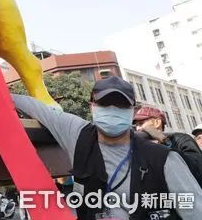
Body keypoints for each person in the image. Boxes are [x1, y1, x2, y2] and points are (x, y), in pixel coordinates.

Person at [11, 75, 202, 219]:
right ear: (92, 106)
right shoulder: (78, 134)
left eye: (120, 105)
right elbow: (37, 108)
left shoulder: (163, 159)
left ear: (131, 110)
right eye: (105, 103)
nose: (112, 110)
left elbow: (195, 211)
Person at [133, 105, 202, 187]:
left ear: (157, 122)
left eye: (141, 123)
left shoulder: (180, 139)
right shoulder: (138, 149)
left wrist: (164, 141)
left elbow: (197, 167)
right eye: (136, 125)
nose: (138, 129)